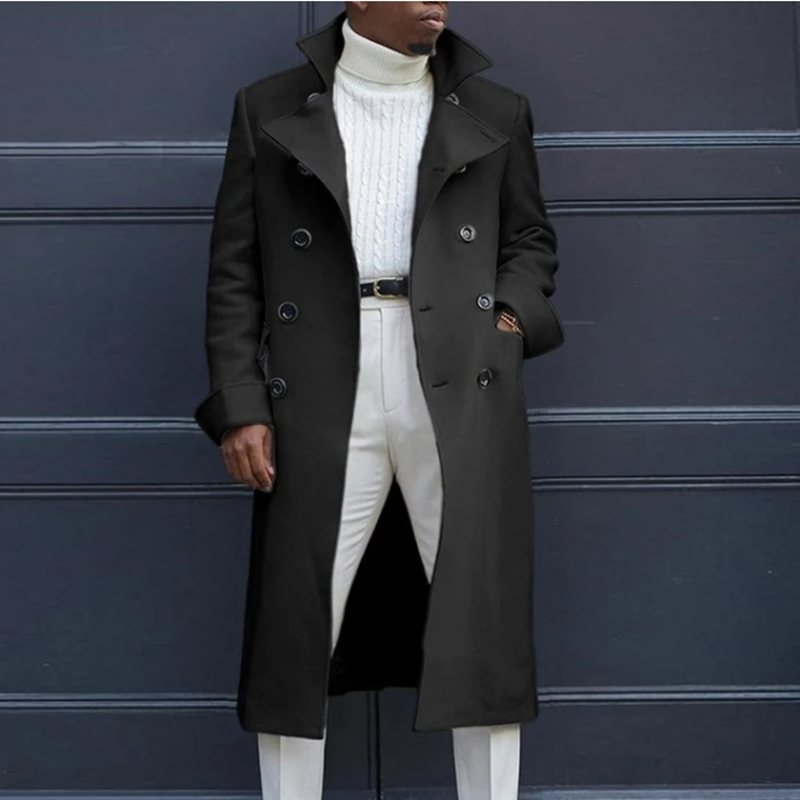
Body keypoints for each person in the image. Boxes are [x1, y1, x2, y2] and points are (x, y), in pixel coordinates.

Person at [194, 3, 564, 799]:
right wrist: (240, 402)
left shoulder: (497, 111)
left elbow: (530, 239)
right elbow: (235, 270)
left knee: (479, 615)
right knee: (299, 619)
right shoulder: (268, 107)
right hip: (321, 370)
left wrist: (505, 321)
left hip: (459, 371)